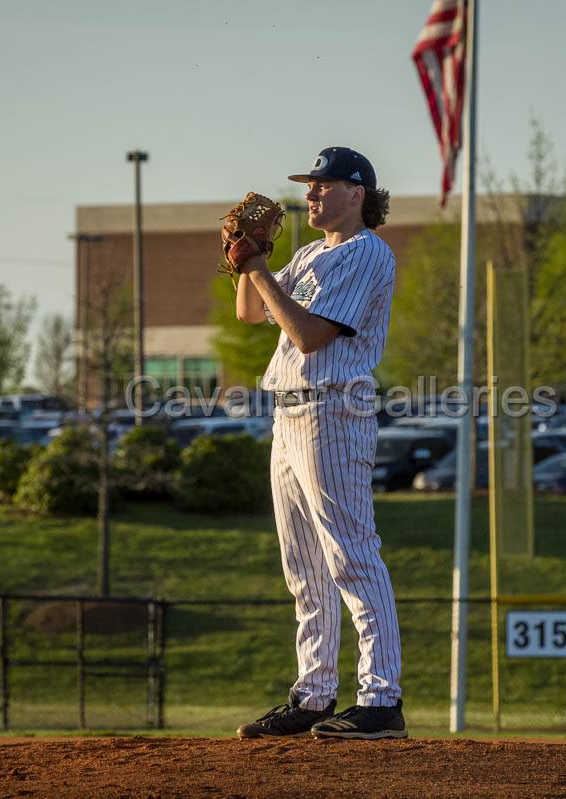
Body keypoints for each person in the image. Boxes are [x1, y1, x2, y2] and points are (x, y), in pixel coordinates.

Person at [232, 146, 405, 740]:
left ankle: (382, 700)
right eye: (310, 186)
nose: (311, 194)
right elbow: (251, 316)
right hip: (288, 415)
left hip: (333, 409)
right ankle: (313, 695)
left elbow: (306, 336)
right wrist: (247, 262)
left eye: (322, 185)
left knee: (351, 555)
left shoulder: (365, 252)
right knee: (304, 568)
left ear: (356, 194)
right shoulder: (309, 253)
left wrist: (257, 267)